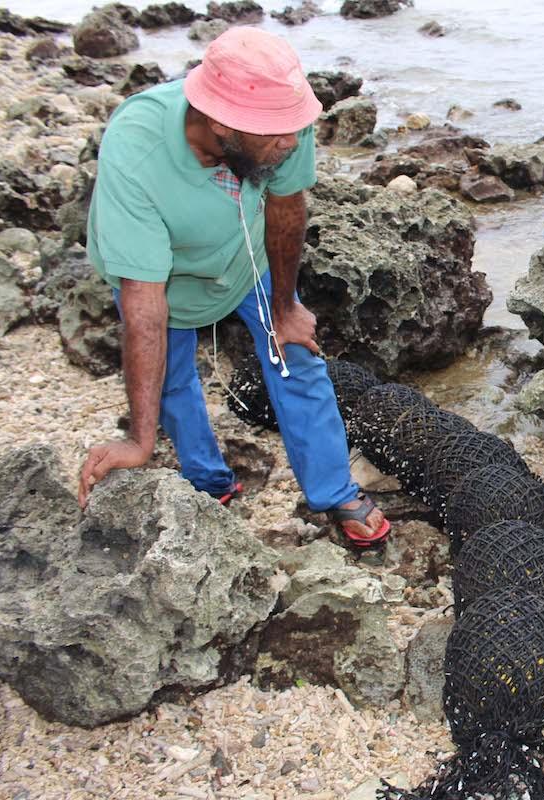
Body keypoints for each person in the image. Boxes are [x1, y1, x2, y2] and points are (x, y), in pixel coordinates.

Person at [77, 26, 389, 547]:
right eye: (276, 133)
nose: (291, 141)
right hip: (162, 276)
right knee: (172, 376)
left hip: (245, 258)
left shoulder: (282, 121)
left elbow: (286, 207)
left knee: (297, 358)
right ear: (221, 123)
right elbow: (144, 305)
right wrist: (138, 439)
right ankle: (207, 480)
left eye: (296, 125)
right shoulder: (137, 148)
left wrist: (285, 306)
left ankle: (334, 491)